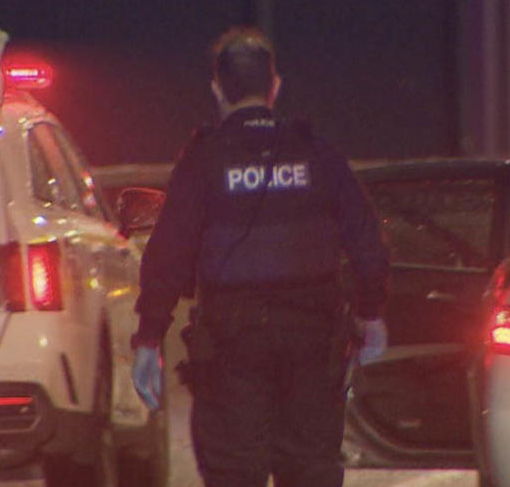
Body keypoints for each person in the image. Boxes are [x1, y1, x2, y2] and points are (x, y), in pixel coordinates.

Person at [129, 26, 390, 487]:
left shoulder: (203, 160)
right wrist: (371, 315)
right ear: (275, 86)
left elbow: (167, 255)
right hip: (313, 339)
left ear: (216, 89)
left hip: (232, 343)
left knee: (233, 471)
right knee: (310, 467)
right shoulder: (317, 152)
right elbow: (368, 243)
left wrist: (149, 337)